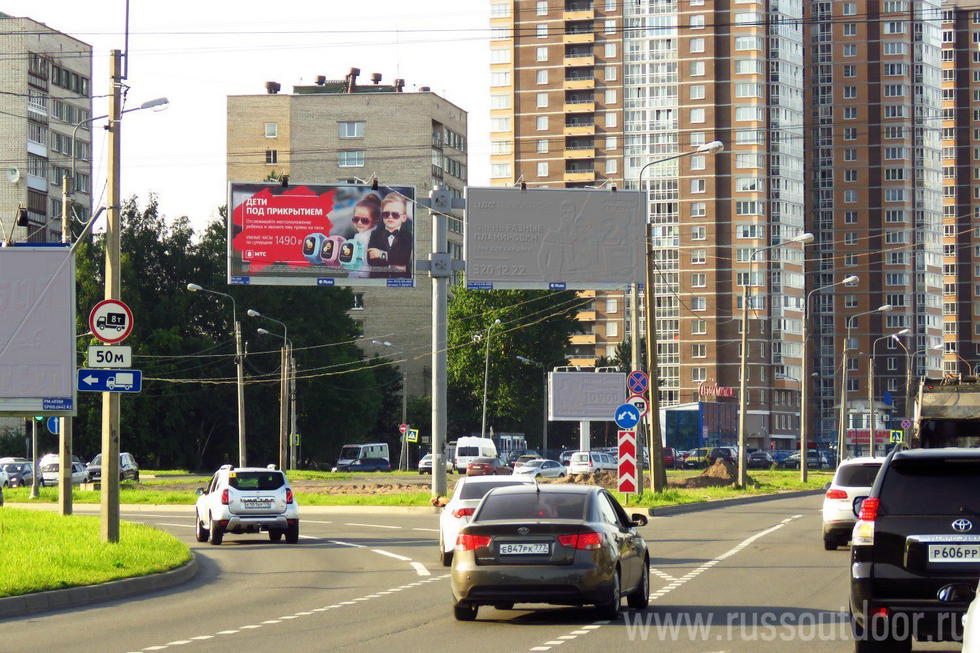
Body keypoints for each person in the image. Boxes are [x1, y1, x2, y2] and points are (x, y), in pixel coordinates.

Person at [367, 192, 413, 278]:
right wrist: (396, 263)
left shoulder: (407, 236)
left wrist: (381, 254)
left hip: (402, 282)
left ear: (403, 218)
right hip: (378, 281)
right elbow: (371, 260)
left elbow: (404, 258)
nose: (390, 217)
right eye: (386, 214)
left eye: (395, 214)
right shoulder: (375, 234)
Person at [347, 194, 380, 277]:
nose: (359, 223)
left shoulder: (368, 237)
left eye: (364, 220)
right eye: (356, 219)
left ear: (376, 220)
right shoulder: (360, 235)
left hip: (361, 275)